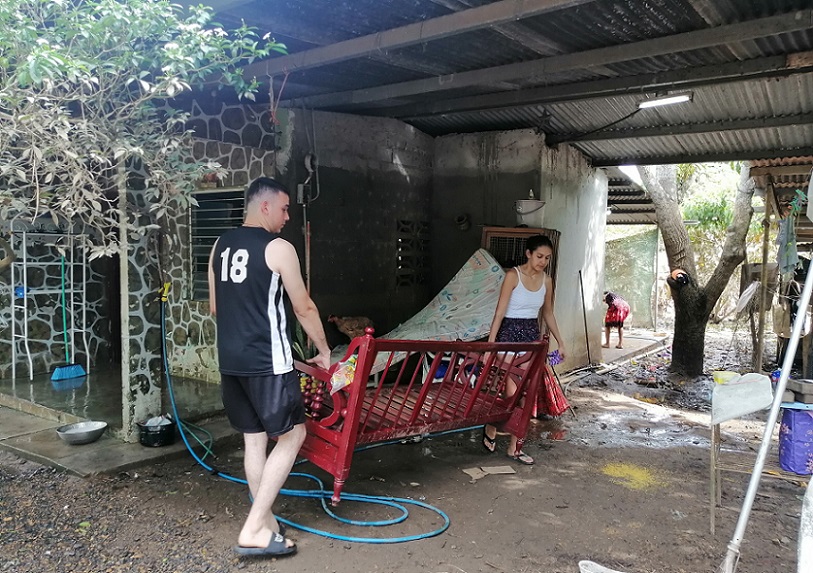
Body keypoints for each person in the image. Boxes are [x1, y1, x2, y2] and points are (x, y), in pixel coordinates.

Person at [208, 177, 331, 558]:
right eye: (284, 208)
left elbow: (216, 308)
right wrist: (324, 350)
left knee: (254, 440)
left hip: (231, 362)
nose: (288, 216)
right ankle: (253, 528)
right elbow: (304, 306)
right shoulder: (279, 248)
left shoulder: (219, 245)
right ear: (264, 207)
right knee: (292, 436)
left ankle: (266, 522)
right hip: (267, 363)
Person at [482, 235, 567, 465]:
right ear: (528, 253)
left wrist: (561, 342)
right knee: (514, 396)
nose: (543, 261)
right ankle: (499, 432)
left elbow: (547, 313)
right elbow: (499, 313)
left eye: (547, 258)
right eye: (539, 256)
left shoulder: (547, 281)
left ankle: (510, 444)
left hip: (531, 339)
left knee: (526, 396)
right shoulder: (513, 276)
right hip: (508, 337)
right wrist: (491, 346)